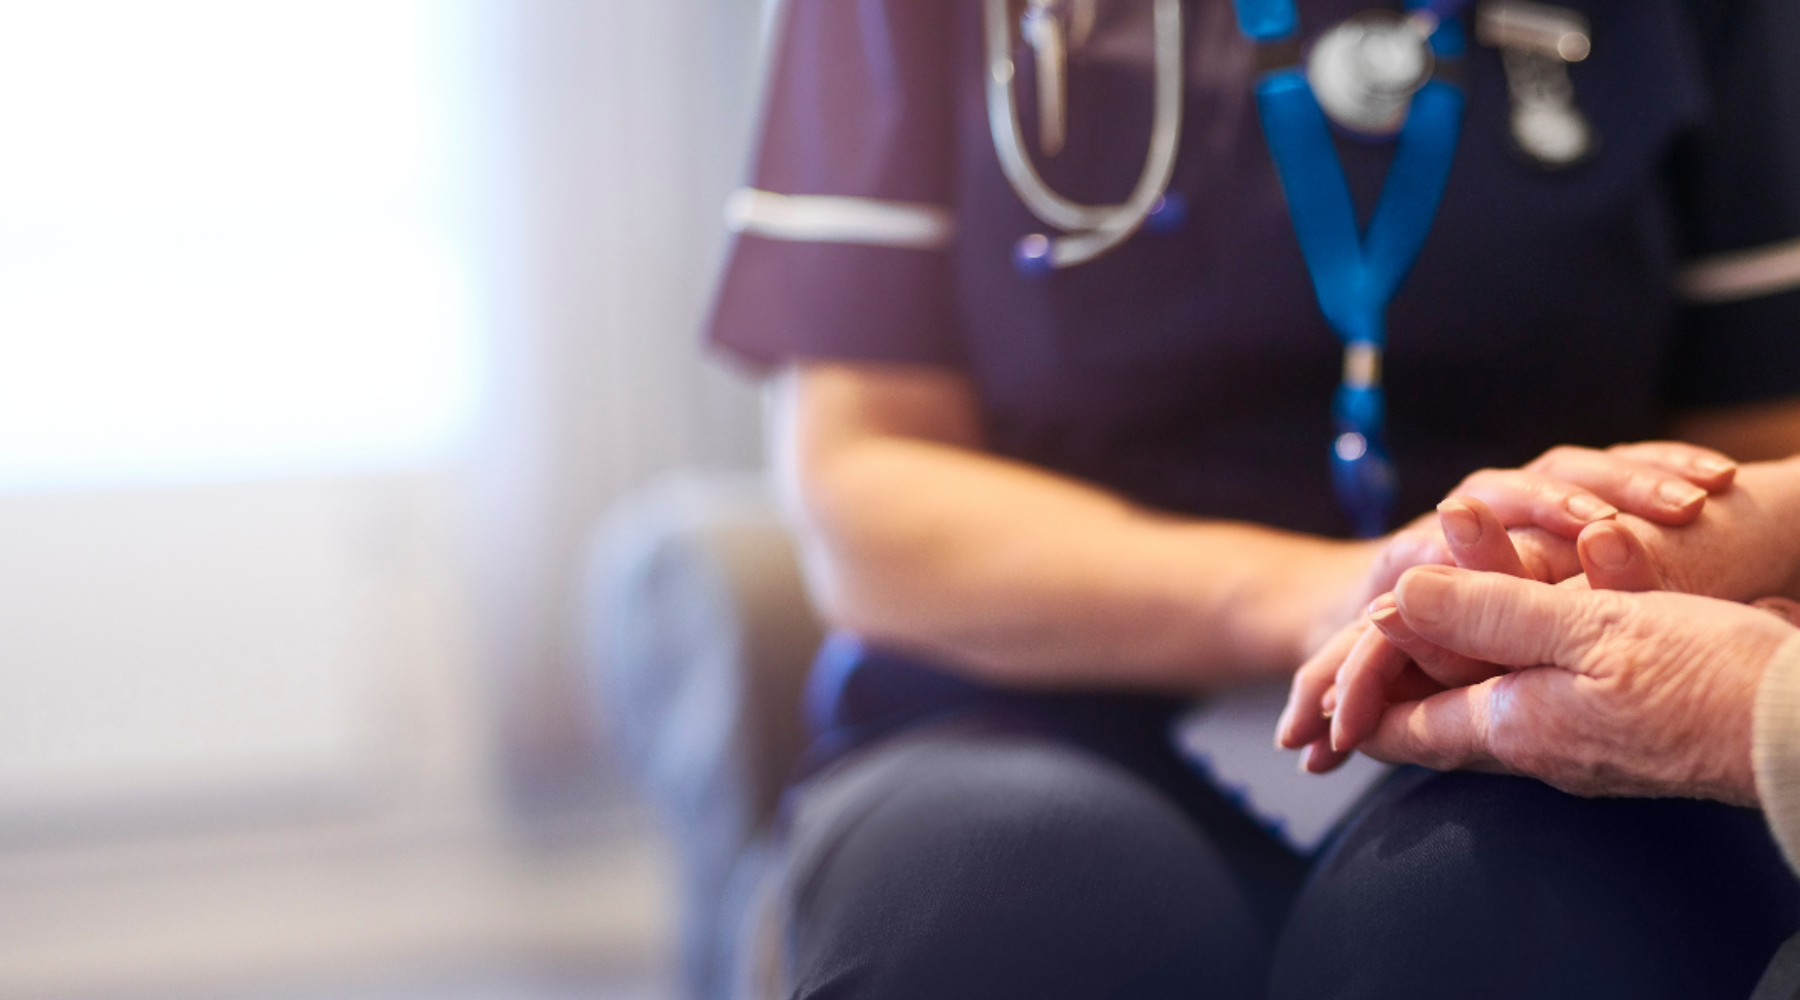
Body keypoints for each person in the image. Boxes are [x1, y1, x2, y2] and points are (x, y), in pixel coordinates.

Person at [704, 0, 1800, 997]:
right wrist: (1325, 598)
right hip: (1026, 695)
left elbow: (1751, 473)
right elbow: (866, 484)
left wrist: (1578, 582)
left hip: (1525, 720)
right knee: (1007, 904)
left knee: (1481, 922)